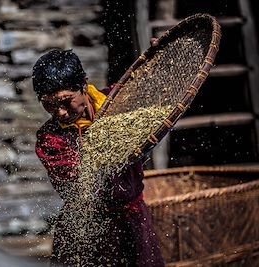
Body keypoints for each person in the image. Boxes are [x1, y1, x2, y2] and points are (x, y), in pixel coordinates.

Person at [32, 49, 164, 266]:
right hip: (88, 228)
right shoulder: (51, 138)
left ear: (84, 85)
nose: (60, 113)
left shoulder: (119, 102)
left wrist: (159, 62)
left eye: (66, 101)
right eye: (49, 104)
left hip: (133, 220)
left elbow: (156, 91)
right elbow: (72, 183)